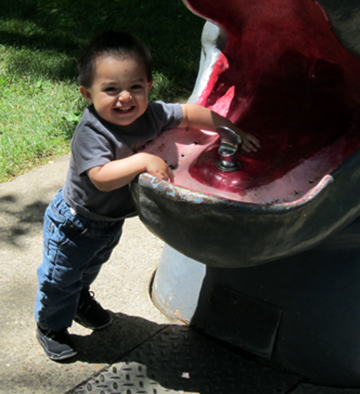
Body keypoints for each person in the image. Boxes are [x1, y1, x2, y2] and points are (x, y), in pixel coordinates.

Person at [34, 30, 260, 360]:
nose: (125, 97)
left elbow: (189, 113)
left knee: (89, 268)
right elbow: (101, 178)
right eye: (111, 89)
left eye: (135, 87)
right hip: (75, 223)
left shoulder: (151, 114)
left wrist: (227, 127)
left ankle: (79, 300)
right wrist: (143, 160)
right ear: (87, 94)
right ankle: (51, 325)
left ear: (149, 87)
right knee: (61, 277)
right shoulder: (92, 132)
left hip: (108, 222)